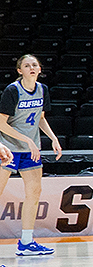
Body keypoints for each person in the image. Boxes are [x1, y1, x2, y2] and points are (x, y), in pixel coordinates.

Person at [0, 55, 63, 256]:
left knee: (34, 193)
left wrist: (53, 138)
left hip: (31, 150)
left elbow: (40, 118)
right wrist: (26, 139)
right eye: (26, 65)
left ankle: (26, 242)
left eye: (34, 64)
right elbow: (1, 123)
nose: (31, 67)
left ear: (40, 69)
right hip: (8, 149)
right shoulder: (12, 90)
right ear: (20, 71)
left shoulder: (42, 90)